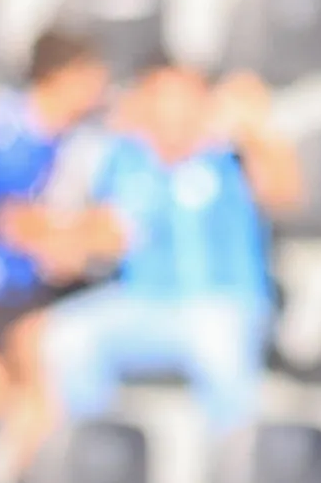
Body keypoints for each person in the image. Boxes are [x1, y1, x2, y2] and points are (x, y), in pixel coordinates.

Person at [38, 58, 300, 436]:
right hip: (146, 303)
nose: (174, 110)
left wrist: (256, 127)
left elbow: (285, 194)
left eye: (185, 98)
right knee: (66, 336)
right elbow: (89, 240)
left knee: (219, 345)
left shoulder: (231, 156)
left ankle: (237, 461)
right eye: (162, 98)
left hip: (224, 301)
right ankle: (97, 449)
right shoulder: (124, 160)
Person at [0, 26, 113, 465]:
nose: (101, 88)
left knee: (38, 393)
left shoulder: (74, 138)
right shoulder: (14, 132)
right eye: (90, 76)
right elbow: (9, 217)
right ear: (61, 76)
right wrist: (68, 242)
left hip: (30, 287)